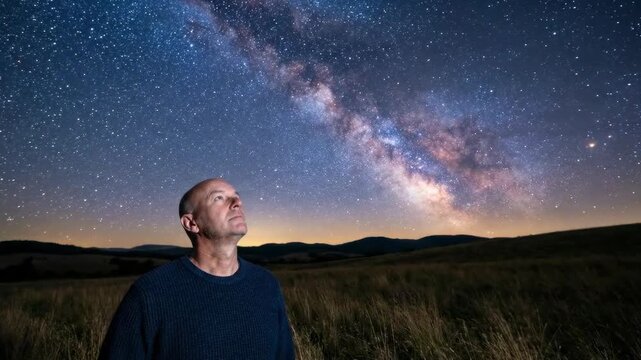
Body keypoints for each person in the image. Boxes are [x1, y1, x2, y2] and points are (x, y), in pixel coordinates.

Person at [99, 178, 295, 359]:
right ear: (191, 223)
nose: (237, 203)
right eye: (219, 198)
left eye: (237, 197)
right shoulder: (150, 293)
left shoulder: (266, 284)